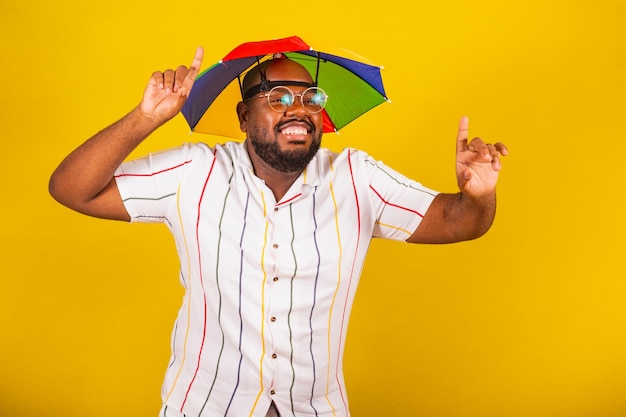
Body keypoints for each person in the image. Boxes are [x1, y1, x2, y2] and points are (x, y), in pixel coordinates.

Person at [49, 46, 508, 417]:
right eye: (278, 96)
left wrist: (479, 194)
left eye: (311, 98)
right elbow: (72, 189)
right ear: (244, 117)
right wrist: (145, 118)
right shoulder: (194, 171)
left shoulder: (356, 178)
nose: (299, 109)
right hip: (204, 407)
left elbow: (457, 221)